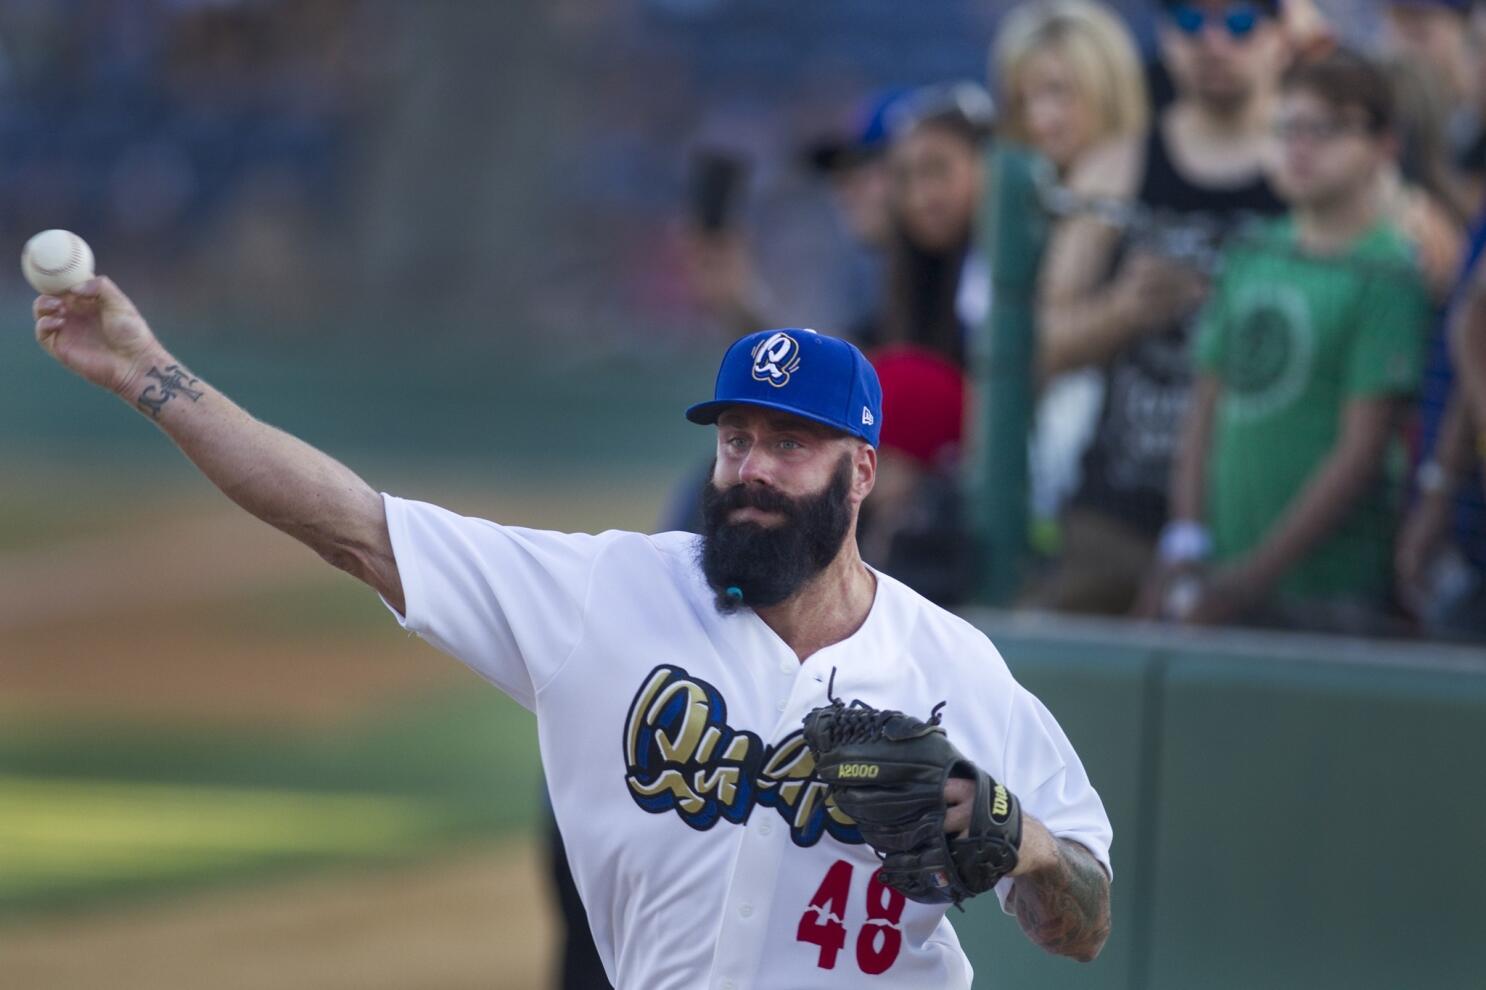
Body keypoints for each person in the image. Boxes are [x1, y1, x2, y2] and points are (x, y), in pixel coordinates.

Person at [32, 293, 1113, 986]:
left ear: (862, 472)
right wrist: (148, 377)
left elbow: (1081, 922)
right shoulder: (611, 593)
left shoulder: (954, 668)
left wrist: (1011, 835)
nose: (749, 469)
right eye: (736, 439)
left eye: (789, 444)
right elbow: (352, 526)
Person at [1149, 50, 1433, 632]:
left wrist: (1252, 577)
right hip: (1216, 576)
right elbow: (1203, 407)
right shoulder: (1252, 250)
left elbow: (1360, 453)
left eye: (1325, 129)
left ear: (1385, 146)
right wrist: (1186, 540)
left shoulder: (1389, 273)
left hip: (1330, 593)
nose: (1300, 146)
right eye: (1287, 127)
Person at [1026, 0, 1289, 614]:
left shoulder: (1316, 170)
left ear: (1281, 37)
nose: (1214, 41)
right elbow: (1038, 342)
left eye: (1241, 22)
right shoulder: (1117, 167)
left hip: (1266, 521)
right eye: (1192, 21)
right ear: (1166, 37)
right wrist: (1122, 309)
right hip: (1120, 514)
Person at [990, 0, 1150, 546]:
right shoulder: (1013, 202)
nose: (1040, 119)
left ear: (1107, 86)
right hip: (1042, 499)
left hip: (1123, 500)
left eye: (1059, 91)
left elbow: (1047, 348)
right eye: (1025, 98)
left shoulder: (1148, 189)